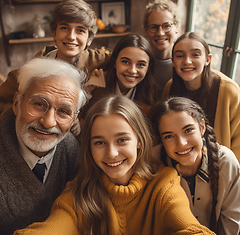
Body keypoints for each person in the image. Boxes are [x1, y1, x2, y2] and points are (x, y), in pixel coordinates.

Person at [14, 95, 215, 235]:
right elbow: (52, 229)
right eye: (99, 142)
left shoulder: (164, 184)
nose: (111, 153)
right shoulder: (77, 196)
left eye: (122, 140)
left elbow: (188, 227)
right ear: (89, 147)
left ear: (139, 141)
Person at [0, 57, 88, 235]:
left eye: (63, 111)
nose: (48, 122)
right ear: (17, 103)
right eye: (39, 104)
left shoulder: (69, 147)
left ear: (74, 118)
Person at [0, 0, 110, 116]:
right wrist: (20, 116)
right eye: (64, 28)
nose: (71, 36)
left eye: (80, 30)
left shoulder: (99, 60)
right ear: (54, 33)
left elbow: (127, 60)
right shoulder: (34, 68)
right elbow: (2, 98)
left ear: (89, 39)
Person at [151, 96, 240, 234]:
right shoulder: (153, 163)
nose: (181, 143)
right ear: (161, 140)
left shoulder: (226, 162)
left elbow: (231, 223)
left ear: (202, 127)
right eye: (169, 136)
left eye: (188, 130)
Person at [161, 31, 240, 162]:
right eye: (180, 56)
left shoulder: (229, 91)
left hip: (220, 167)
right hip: (180, 164)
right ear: (173, 62)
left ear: (207, 59)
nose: (187, 61)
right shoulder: (169, 88)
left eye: (195, 55)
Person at [81, 34, 156, 122]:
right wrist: (86, 91)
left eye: (140, 65)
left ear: (148, 68)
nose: (132, 70)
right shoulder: (96, 87)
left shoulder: (151, 98)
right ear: (115, 62)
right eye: (125, 62)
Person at [143, 0, 180, 99]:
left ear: (177, 27)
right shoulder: (139, 62)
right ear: (146, 31)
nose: (160, 33)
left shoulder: (185, 63)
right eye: (154, 27)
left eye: (166, 26)